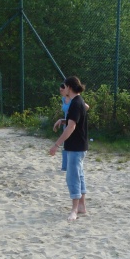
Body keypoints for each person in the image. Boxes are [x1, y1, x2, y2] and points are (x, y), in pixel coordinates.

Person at [48, 76, 88, 221]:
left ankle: (75, 210)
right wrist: (62, 120)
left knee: (73, 177)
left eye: (64, 86)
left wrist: (56, 145)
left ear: (69, 87)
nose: (62, 88)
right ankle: (82, 206)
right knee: (80, 175)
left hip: (76, 146)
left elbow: (71, 127)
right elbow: (73, 121)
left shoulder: (76, 103)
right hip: (79, 145)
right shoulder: (77, 102)